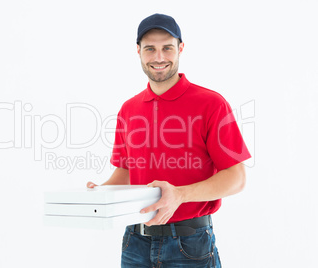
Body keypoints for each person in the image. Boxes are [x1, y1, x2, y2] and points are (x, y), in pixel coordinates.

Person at [87, 13, 251, 267]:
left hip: (189, 244)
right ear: (138, 51)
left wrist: (180, 195)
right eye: (150, 48)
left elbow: (236, 177)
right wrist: (101, 192)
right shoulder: (128, 109)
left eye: (167, 48)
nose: (159, 57)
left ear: (181, 49)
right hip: (135, 241)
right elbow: (129, 172)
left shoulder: (211, 104)